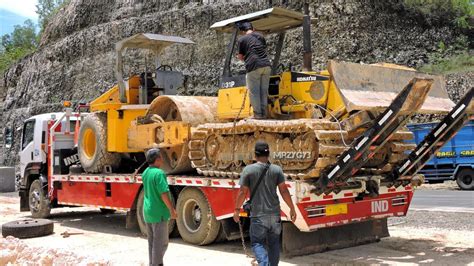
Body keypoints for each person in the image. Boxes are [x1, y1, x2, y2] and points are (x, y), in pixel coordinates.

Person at [233, 141, 296, 266]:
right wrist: (292, 208)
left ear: (255, 155)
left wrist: (236, 209)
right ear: (269, 154)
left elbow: (242, 192)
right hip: (275, 215)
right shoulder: (277, 169)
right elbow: (283, 190)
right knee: (274, 244)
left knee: (257, 243)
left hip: (258, 216)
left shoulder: (248, 170)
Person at [142, 148, 177, 266]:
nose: (162, 159)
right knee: (161, 243)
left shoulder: (146, 172)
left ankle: (153, 263)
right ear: (157, 159)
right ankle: (156, 264)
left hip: (148, 211)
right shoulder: (159, 173)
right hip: (159, 212)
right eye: (161, 157)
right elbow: (164, 194)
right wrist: (172, 210)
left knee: (152, 242)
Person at [237, 22, 272, 119]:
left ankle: (257, 115)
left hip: (253, 66)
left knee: (254, 91)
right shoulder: (260, 36)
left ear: (243, 32)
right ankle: (264, 114)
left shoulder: (242, 39)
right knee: (263, 91)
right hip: (266, 65)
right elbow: (262, 49)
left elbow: (240, 56)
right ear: (253, 29)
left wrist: (243, 57)